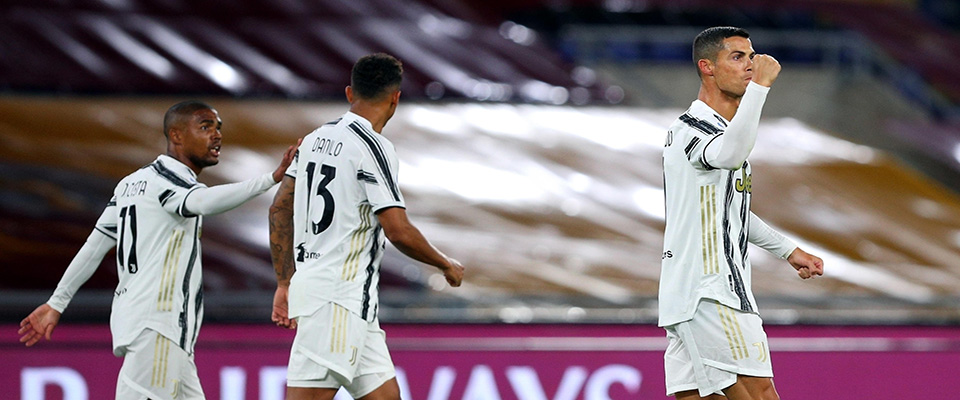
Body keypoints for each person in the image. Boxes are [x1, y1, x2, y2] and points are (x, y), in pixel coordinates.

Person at [18, 100, 298, 400]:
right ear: (176, 135)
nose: (216, 135)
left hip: (150, 328)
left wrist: (57, 302)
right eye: (205, 127)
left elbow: (94, 246)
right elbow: (202, 203)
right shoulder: (170, 181)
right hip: (158, 327)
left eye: (218, 128)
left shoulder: (131, 184)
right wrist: (271, 178)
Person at [269, 52, 465, 400]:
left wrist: (285, 280)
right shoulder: (373, 148)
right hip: (339, 301)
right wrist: (445, 264)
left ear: (349, 93)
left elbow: (279, 209)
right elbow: (398, 230)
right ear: (395, 99)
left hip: (343, 303)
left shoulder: (314, 140)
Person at [659, 27, 824, 400]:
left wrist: (788, 251)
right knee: (760, 393)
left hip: (694, 292)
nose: (750, 65)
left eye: (752, 56)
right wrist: (761, 89)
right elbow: (730, 155)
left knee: (698, 396)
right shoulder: (693, 130)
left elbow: (731, 213)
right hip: (712, 290)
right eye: (737, 57)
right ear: (707, 67)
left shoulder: (717, 131)